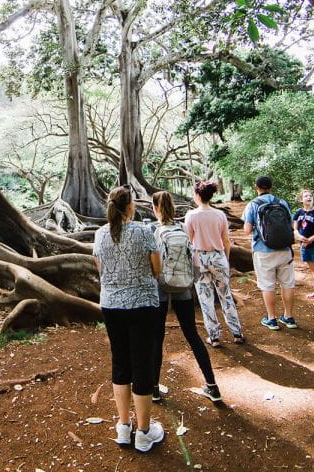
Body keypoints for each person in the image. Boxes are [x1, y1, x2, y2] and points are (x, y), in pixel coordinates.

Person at [92, 186, 165, 452]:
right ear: (130, 207)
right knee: (142, 364)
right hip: (142, 305)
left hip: (111, 306)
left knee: (120, 362)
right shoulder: (143, 232)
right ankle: (144, 432)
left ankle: (124, 427)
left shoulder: (99, 235)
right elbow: (157, 269)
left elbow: (101, 270)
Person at [150, 191, 221, 402]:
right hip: (183, 286)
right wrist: (193, 279)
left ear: (155, 209)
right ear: (173, 207)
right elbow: (193, 255)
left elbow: (153, 263)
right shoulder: (182, 229)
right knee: (192, 335)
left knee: (157, 338)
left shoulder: (155, 231)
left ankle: (154, 388)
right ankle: (212, 386)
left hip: (161, 287)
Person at [185, 180, 245, 347]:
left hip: (199, 258)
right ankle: (237, 332)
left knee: (206, 298)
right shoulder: (220, 215)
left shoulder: (191, 215)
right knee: (225, 295)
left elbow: (189, 240)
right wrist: (224, 258)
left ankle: (214, 335)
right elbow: (225, 240)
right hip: (218, 257)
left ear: (197, 195)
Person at [243, 176, 297, 330]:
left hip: (263, 250)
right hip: (285, 249)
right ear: (271, 187)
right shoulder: (282, 203)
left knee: (268, 285)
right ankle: (288, 317)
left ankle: (271, 319)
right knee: (288, 284)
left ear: (256, 187)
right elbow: (291, 224)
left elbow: (247, 230)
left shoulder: (253, 204)